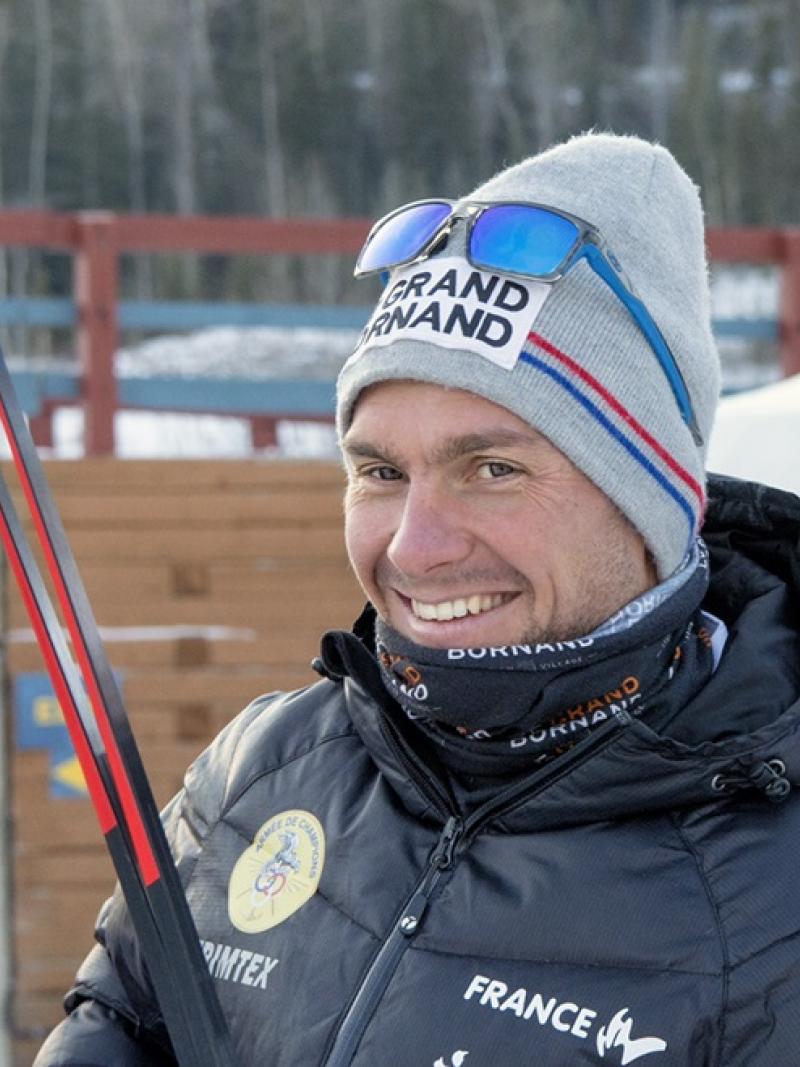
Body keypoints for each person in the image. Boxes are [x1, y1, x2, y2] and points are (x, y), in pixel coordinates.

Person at [36, 132, 800, 1067]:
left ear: (651, 503)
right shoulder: (262, 770)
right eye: (381, 471)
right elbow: (119, 1026)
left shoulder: (775, 897)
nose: (413, 546)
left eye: (493, 469)